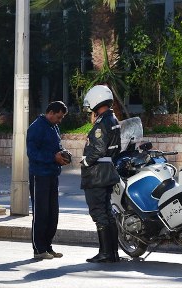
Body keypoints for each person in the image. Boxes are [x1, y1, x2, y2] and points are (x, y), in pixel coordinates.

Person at [80, 85, 121, 263]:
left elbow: (97, 148)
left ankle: (106, 253)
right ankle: (112, 252)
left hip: (97, 174)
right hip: (108, 171)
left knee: (99, 213)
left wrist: (86, 161)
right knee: (107, 212)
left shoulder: (102, 123)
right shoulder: (112, 119)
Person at [26, 101, 70, 260]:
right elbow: (32, 154)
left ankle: (48, 246)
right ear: (50, 112)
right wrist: (53, 157)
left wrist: (63, 155)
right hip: (40, 175)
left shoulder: (54, 127)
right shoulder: (36, 128)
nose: (60, 120)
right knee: (41, 213)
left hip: (52, 174)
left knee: (53, 213)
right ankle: (39, 249)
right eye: (58, 116)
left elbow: (56, 148)